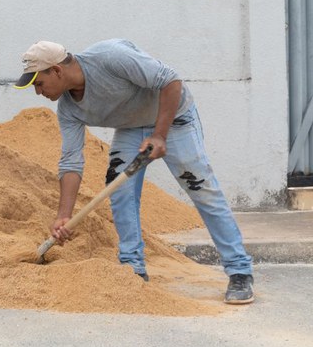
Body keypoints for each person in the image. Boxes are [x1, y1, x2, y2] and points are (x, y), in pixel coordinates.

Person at [14, 39, 254, 304]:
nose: (38, 92)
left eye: (39, 83)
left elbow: (171, 81)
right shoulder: (69, 110)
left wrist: (160, 135)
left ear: (56, 71)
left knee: (201, 189)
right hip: (131, 128)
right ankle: (133, 268)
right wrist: (63, 216)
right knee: (121, 192)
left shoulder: (110, 57)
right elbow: (71, 162)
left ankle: (239, 270)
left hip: (174, 120)